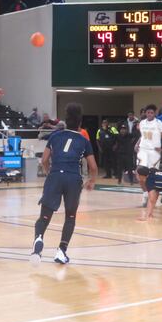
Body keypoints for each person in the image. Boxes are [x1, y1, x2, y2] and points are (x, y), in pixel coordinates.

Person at [30, 103, 98, 266]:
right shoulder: (83, 140)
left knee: (44, 215)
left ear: (65, 121)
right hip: (73, 178)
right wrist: (92, 180)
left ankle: (38, 242)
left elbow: (44, 160)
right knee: (70, 216)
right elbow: (93, 167)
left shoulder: (55, 136)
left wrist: (49, 174)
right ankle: (62, 250)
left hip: (55, 175)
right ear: (80, 123)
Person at [136, 104, 162, 207]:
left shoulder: (159, 123)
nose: (150, 114)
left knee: (151, 176)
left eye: (152, 112)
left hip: (154, 152)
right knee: (138, 174)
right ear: (145, 113)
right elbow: (142, 136)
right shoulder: (142, 123)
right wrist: (137, 143)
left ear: (155, 113)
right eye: (148, 112)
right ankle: (145, 193)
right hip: (143, 150)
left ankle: (151, 196)